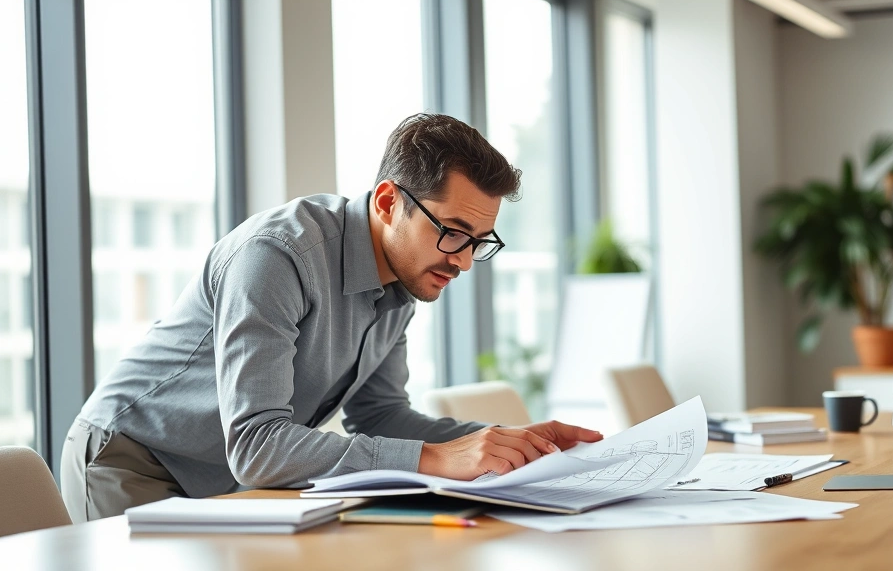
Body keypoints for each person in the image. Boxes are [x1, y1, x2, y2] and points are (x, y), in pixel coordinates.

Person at [61, 113, 603, 523]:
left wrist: (507, 442)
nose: (462, 260)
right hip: (133, 458)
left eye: (478, 241)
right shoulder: (279, 256)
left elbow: (382, 416)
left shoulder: (405, 279)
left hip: (229, 477)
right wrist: (436, 457)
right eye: (453, 231)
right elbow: (257, 444)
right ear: (390, 202)